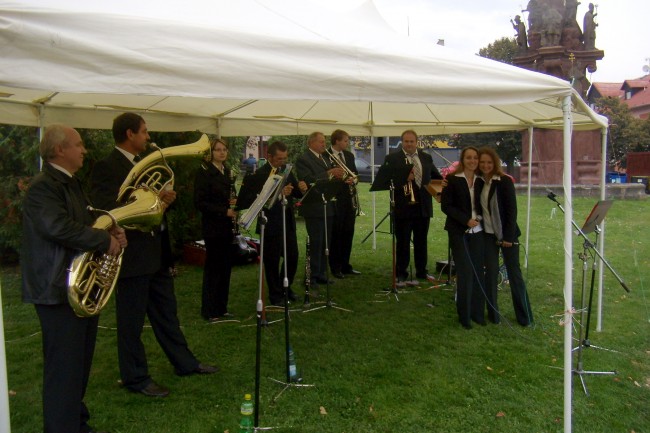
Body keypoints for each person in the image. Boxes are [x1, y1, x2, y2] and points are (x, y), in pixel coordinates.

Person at [90, 112, 217, 398]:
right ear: (130, 134)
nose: (148, 137)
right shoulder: (106, 167)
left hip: (156, 251)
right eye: (144, 132)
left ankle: (184, 362)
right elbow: (106, 209)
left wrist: (163, 202)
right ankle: (135, 378)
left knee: (167, 314)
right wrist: (148, 202)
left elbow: (153, 209)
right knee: (131, 322)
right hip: (132, 255)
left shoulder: (142, 164)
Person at [21, 124, 127, 433]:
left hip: (77, 290)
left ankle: (75, 422)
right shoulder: (44, 186)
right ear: (59, 150)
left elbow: (84, 222)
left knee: (78, 365)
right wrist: (101, 240)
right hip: (56, 290)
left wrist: (109, 229)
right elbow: (58, 227)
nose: (84, 150)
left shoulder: (70, 183)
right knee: (64, 368)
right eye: (78, 145)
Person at [476, 147, 534, 326]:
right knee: (490, 274)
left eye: (489, 162)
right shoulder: (478, 182)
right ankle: (493, 315)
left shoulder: (504, 181)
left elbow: (511, 211)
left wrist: (508, 237)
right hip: (488, 235)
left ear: (495, 163)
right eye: (483, 162)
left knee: (514, 274)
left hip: (507, 235)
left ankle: (524, 317)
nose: (486, 165)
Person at [382, 130, 442, 283]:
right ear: (402, 142)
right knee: (403, 241)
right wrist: (404, 178)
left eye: (412, 141)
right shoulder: (392, 158)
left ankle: (422, 271)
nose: (409, 144)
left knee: (421, 241)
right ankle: (401, 272)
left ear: (417, 142)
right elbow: (385, 180)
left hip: (423, 206)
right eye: (406, 141)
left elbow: (435, 177)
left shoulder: (426, 157)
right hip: (403, 206)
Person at [251, 140, 307, 305]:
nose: (282, 162)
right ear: (270, 156)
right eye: (279, 159)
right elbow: (259, 200)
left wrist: (301, 188)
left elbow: (296, 191)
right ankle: (275, 295)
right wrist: (279, 193)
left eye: (284, 158)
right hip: (271, 222)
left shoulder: (286, 170)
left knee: (292, 256)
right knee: (272, 260)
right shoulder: (262, 173)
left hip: (287, 220)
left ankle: (286, 288)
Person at [440, 146, 486, 329]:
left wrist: (478, 219)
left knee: (477, 273)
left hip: (478, 232)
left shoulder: (482, 180)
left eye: (475, 158)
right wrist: (466, 220)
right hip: (458, 232)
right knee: (465, 273)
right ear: (463, 159)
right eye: (469, 158)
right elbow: (446, 206)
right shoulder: (451, 180)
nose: (472, 161)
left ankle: (477, 313)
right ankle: (464, 315)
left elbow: (484, 206)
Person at [193, 138, 237, 319]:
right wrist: (223, 211)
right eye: (218, 150)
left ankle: (222, 307)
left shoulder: (227, 171)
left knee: (226, 267)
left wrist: (234, 202)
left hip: (227, 227)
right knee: (214, 268)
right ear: (210, 153)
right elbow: (200, 202)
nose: (222, 152)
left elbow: (228, 195)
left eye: (224, 149)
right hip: (213, 226)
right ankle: (209, 310)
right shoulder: (204, 173)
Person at [295, 131, 345, 287]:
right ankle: (311, 276)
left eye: (324, 142)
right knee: (315, 242)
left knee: (325, 242)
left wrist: (339, 176)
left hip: (327, 205)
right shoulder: (303, 159)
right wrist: (329, 173)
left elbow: (327, 179)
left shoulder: (324, 158)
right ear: (311, 143)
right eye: (321, 142)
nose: (324, 144)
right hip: (313, 207)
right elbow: (308, 180)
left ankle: (322, 272)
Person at [327, 129, 362, 279]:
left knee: (348, 232)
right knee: (337, 234)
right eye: (345, 140)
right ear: (337, 141)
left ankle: (346, 264)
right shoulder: (326, 156)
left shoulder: (349, 155)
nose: (347, 143)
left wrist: (353, 179)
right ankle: (335, 266)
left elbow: (354, 174)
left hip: (348, 198)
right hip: (335, 199)